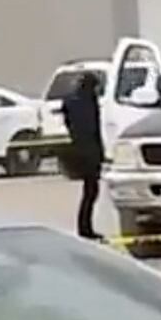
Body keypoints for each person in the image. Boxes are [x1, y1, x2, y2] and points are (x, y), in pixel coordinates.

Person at [61, 73, 105, 241]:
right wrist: (100, 154)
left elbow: (69, 121)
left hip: (79, 148)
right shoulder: (88, 102)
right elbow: (94, 129)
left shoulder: (71, 101)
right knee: (91, 191)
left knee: (89, 192)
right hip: (89, 151)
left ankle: (85, 227)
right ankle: (85, 228)